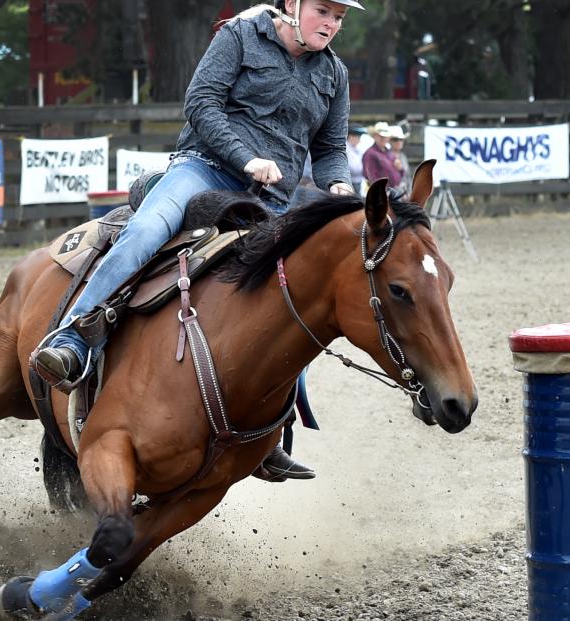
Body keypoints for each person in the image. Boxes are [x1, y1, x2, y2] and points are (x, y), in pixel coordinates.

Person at [32, 0, 364, 481]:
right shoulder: (239, 36)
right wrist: (247, 159)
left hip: (271, 200)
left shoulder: (334, 73)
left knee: (294, 297)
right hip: (203, 170)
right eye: (322, 10)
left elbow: (331, 148)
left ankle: (269, 427)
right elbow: (202, 106)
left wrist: (339, 186)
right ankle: (74, 338)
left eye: (340, 17)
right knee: (146, 231)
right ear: (292, 4)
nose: (331, 23)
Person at [362, 121, 402, 188]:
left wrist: (400, 168)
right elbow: (370, 177)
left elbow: (400, 170)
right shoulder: (370, 154)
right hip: (381, 193)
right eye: (381, 136)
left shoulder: (389, 152)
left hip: (393, 190)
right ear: (375, 136)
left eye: (385, 136)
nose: (383, 138)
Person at [387, 124, 411, 196]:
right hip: (392, 195)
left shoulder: (403, 156)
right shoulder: (386, 157)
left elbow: (407, 176)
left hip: (405, 194)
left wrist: (409, 192)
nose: (399, 142)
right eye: (395, 139)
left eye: (401, 139)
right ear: (390, 141)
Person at [346, 125, 367, 193]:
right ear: (349, 136)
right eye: (354, 135)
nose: (357, 138)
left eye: (358, 136)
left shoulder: (360, 147)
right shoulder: (344, 147)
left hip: (360, 181)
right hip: (347, 181)